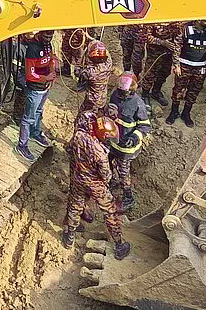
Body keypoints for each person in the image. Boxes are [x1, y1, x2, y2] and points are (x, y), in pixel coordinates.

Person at [62, 112, 131, 261]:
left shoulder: (79, 135)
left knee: (75, 205)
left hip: (78, 178)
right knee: (109, 211)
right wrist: (109, 181)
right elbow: (106, 174)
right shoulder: (100, 153)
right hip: (95, 185)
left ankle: (70, 235)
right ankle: (119, 244)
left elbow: (69, 150)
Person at [105, 72, 150, 211]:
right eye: (120, 90)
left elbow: (145, 125)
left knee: (124, 172)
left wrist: (134, 138)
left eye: (124, 91)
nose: (121, 93)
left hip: (126, 147)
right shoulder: (115, 95)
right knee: (107, 161)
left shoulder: (137, 104)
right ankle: (112, 180)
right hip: (113, 141)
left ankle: (128, 197)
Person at [166, 22, 206, 127]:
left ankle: (186, 113)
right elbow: (177, 47)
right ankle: (174, 112)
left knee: (194, 91)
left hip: (200, 68)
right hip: (184, 66)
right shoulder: (185, 29)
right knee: (178, 90)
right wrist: (176, 64)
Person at [15, 31, 56, 162]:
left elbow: (50, 60)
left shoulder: (48, 45)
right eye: (46, 36)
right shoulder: (33, 48)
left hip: (45, 88)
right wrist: (45, 78)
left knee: (39, 111)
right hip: (35, 89)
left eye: (50, 36)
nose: (48, 39)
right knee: (28, 118)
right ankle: (22, 145)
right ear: (40, 34)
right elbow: (30, 74)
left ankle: (36, 133)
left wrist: (52, 71)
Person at [137, 22, 182, 108]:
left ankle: (156, 91)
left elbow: (179, 39)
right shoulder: (154, 20)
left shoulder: (176, 22)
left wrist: (176, 60)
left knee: (164, 73)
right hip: (154, 54)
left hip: (168, 54)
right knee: (150, 74)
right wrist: (162, 42)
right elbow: (144, 37)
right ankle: (145, 95)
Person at [74, 40, 113, 116]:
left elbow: (77, 71)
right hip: (102, 98)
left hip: (92, 101)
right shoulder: (108, 64)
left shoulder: (91, 73)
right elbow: (106, 52)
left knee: (83, 117)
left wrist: (82, 55)